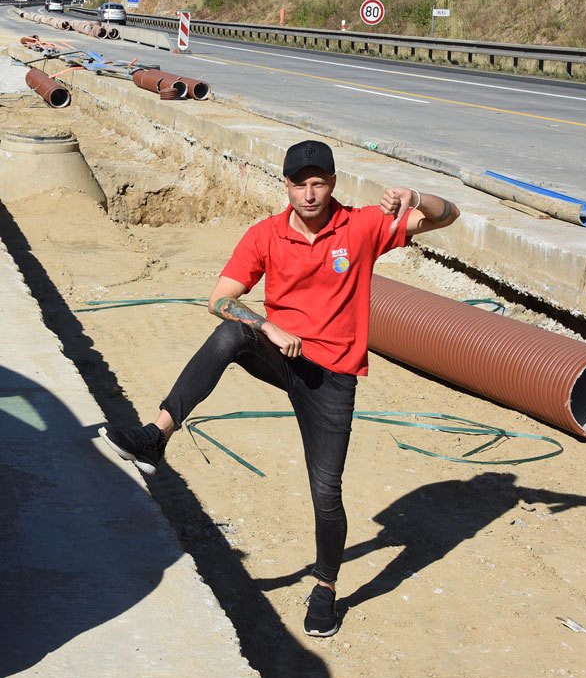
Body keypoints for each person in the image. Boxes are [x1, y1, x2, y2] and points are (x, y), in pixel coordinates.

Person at [99, 139, 459, 637]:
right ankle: (156, 436)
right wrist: (267, 327)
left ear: (332, 184)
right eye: (299, 184)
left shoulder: (361, 226)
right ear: (285, 185)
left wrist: (416, 196)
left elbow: (448, 216)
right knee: (231, 332)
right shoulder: (264, 235)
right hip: (281, 354)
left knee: (326, 491)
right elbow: (219, 300)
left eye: (319, 184)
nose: (309, 194)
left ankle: (325, 586)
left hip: (331, 376)